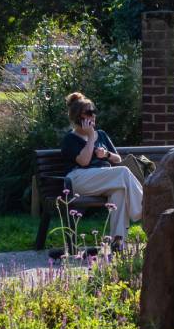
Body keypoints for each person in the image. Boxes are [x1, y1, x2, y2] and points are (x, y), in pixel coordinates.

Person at [59, 92, 142, 250]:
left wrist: (107, 154)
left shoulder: (102, 135)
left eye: (94, 111)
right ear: (78, 116)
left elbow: (117, 159)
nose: (93, 115)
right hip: (78, 180)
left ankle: (118, 242)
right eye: (89, 113)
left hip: (104, 179)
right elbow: (83, 162)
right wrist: (90, 137)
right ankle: (143, 211)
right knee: (123, 172)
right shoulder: (70, 139)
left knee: (120, 191)